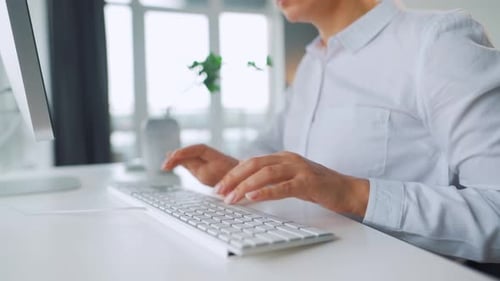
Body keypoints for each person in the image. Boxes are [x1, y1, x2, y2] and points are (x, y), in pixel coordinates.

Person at [163, 0, 500, 265]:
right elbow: (275, 149)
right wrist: (236, 171)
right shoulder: (310, 65)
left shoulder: (437, 40)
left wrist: (351, 192)